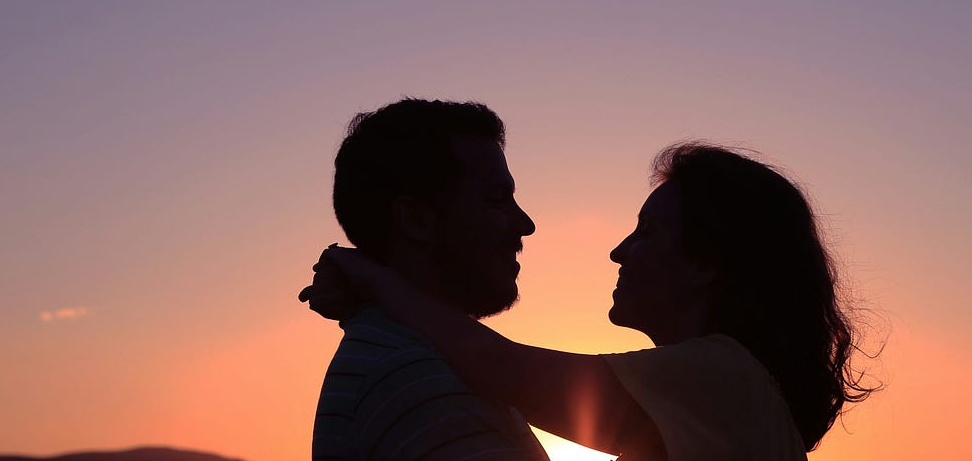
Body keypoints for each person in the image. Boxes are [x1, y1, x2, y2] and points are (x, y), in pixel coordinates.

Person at [306, 142, 878, 460]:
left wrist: (371, 277)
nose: (618, 251)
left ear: (705, 264)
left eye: (647, 233)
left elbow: (509, 369)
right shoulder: (716, 397)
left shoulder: (728, 379)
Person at [299, 98, 548, 460]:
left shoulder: (435, 363)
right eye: (496, 200)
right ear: (416, 220)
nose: (525, 224)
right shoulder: (412, 377)